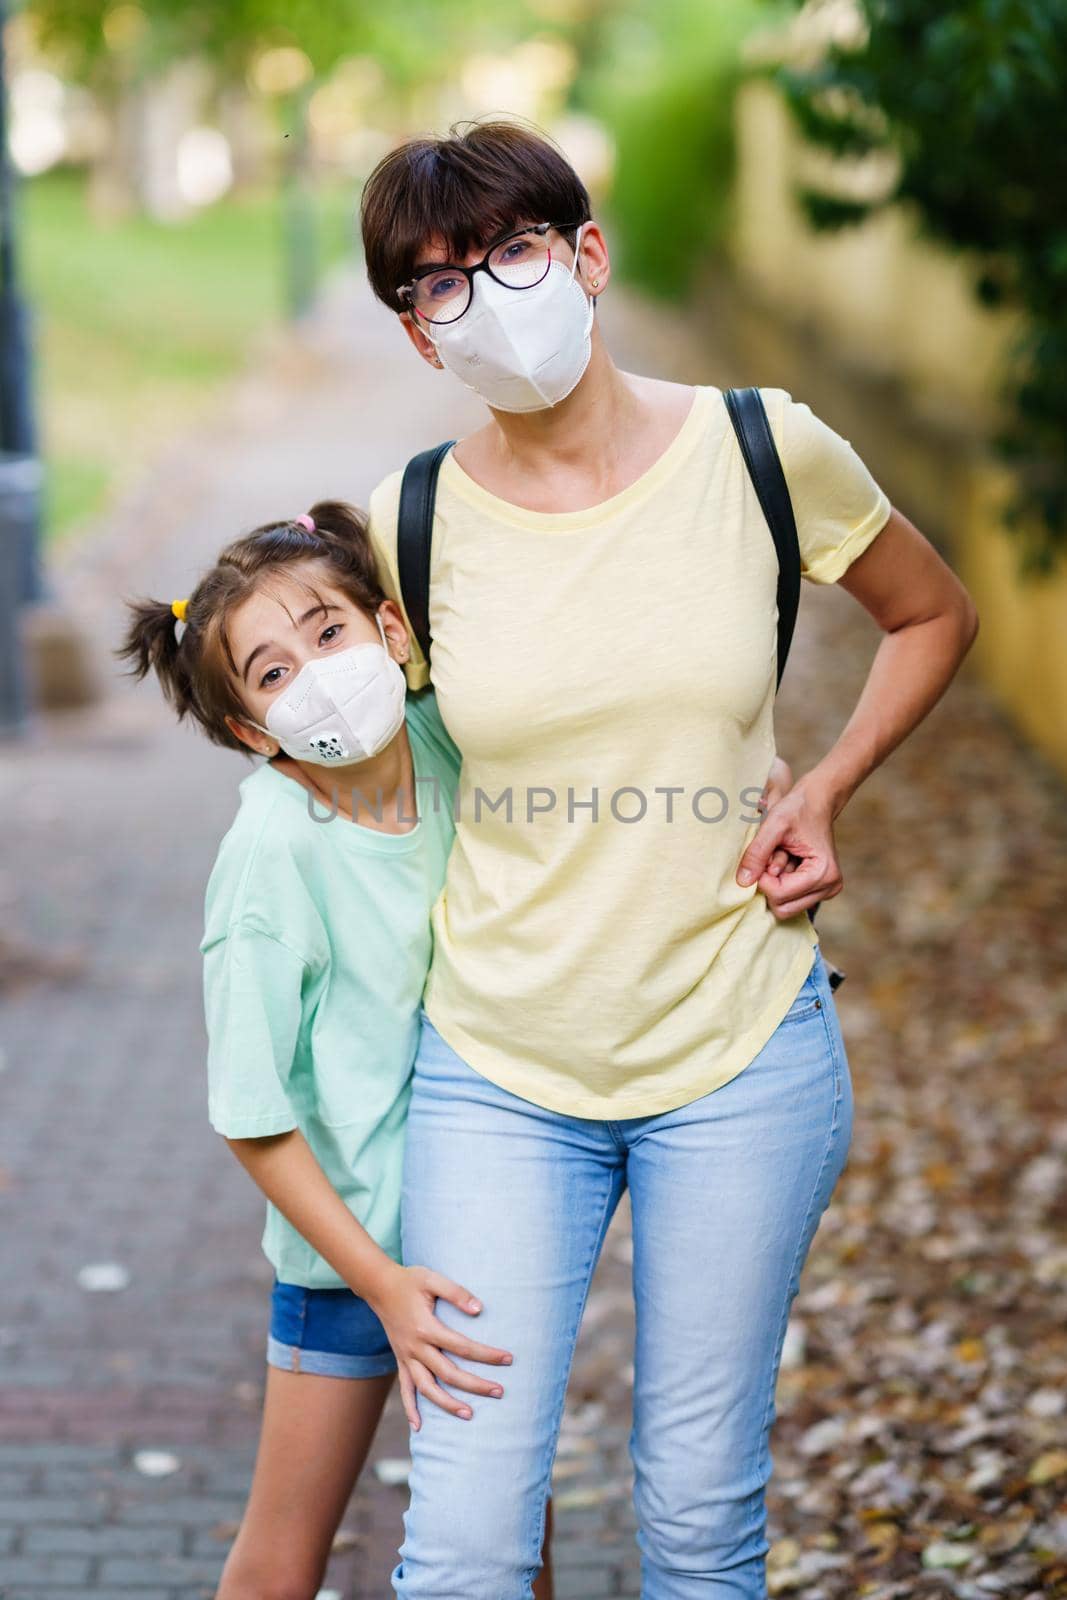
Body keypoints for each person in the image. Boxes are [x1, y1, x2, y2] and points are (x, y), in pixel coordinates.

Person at [359, 119, 980, 1599]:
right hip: (496, 1062)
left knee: (699, 1516)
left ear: (586, 254)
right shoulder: (409, 519)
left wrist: (824, 787)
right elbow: (383, 764)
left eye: (511, 252)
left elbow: (931, 613)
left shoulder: (764, 446)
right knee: (458, 1541)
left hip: (738, 1049)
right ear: (412, 333)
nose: (486, 300)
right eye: (437, 285)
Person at [114, 503, 557, 1600]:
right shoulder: (270, 855)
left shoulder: (445, 739)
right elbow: (251, 1115)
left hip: (485, 1233)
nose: (316, 675)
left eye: (327, 633)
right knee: (280, 1559)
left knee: (510, 1539)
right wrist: (379, 1282)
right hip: (348, 1263)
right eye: (270, 675)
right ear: (252, 733)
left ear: (390, 631)